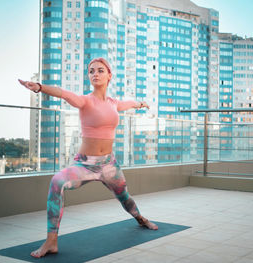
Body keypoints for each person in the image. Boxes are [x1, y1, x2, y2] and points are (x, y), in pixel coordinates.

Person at [18, 57, 158, 258]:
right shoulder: (85, 100)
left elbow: (128, 103)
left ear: (109, 75)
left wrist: (141, 104)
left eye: (100, 70)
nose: (95, 74)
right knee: (57, 181)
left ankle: (141, 219)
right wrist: (39, 87)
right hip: (85, 164)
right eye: (91, 71)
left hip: (108, 165)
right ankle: (51, 241)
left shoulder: (113, 103)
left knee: (125, 197)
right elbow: (63, 93)